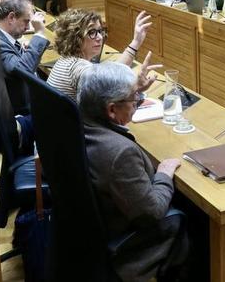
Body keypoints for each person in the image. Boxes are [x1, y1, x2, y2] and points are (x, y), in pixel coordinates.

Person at [79, 62, 189, 282]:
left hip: (90, 233)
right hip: (125, 238)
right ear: (111, 109)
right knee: (192, 219)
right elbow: (152, 212)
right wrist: (164, 174)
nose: (138, 101)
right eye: (134, 99)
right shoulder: (120, 153)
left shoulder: (80, 121)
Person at [47, 9, 152, 101]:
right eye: (92, 32)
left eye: (100, 31)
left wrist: (136, 41)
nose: (100, 37)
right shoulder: (79, 69)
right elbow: (110, 88)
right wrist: (137, 87)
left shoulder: (67, 60)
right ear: (75, 37)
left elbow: (111, 75)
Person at [0, 0, 50, 114]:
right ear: (11, 17)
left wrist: (23, 51)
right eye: (26, 21)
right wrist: (39, 32)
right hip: (28, 109)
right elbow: (23, 70)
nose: (28, 27)